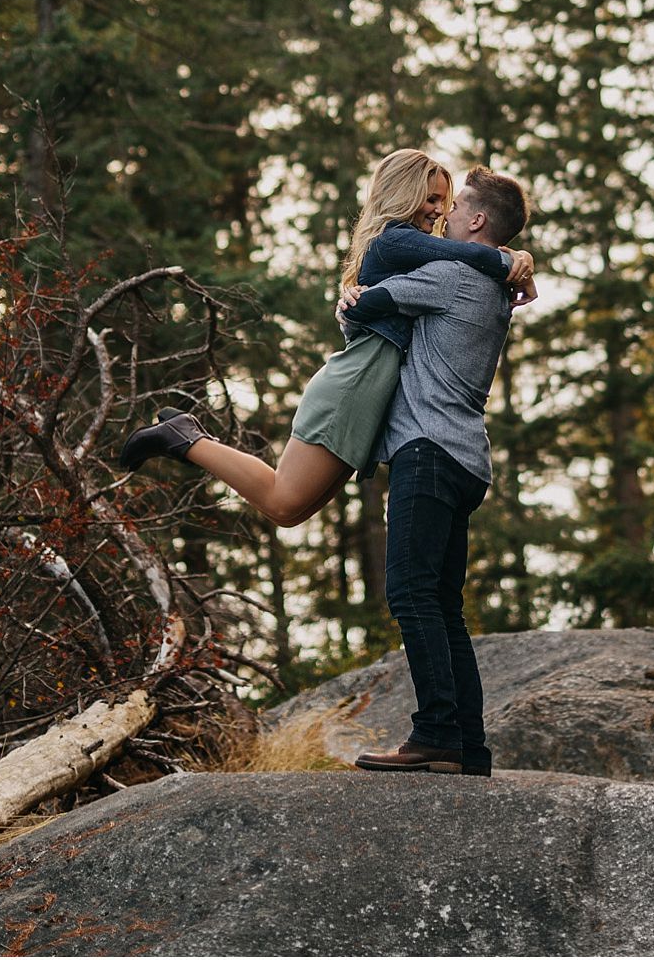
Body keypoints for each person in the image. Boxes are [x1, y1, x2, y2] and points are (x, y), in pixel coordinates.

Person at [118, 149, 536, 527]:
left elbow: (380, 306)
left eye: (445, 202)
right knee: (282, 500)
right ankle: (184, 438)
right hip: (359, 381)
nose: (441, 212)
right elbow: (466, 257)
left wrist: (518, 259)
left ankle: (186, 438)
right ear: (404, 194)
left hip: (374, 390)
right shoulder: (396, 239)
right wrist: (511, 260)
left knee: (289, 512)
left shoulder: (419, 251)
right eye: (432, 200)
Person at [344, 166, 530, 779]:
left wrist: (352, 300)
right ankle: (466, 745)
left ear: (476, 221)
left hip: (425, 452)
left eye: (456, 209)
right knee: (444, 606)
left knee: (411, 593)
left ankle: (434, 734)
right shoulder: (493, 287)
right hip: (466, 458)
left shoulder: (448, 276)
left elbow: (361, 310)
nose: (444, 216)